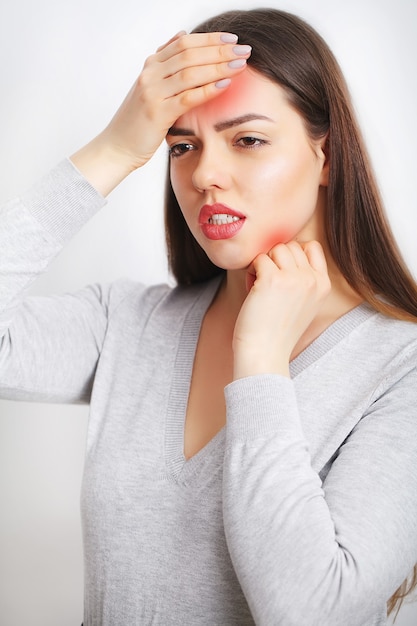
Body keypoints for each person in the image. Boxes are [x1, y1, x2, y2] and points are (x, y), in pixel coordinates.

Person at [1, 7, 416, 625]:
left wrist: (261, 366)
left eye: (247, 139)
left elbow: (313, 612)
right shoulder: (128, 323)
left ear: (326, 156)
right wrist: (115, 149)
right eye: (182, 146)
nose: (204, 175)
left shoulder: (399, 367)